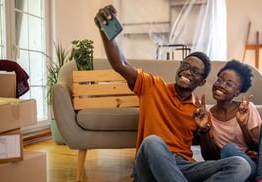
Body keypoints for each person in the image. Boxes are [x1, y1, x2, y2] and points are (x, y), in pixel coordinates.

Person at [95, 5, 251, 182]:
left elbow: (211, 156)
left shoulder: (199, 111)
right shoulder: (153, 86)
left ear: (201, 82)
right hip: (148, 165)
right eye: (184, 66)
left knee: (240, 165)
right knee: (153, 141)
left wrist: (204, 129)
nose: (187, 71)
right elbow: (120, 64)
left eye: (194, 70)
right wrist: (104, 30)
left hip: (182, 168)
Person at [193, 60, 262, 182]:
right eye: (219, 80)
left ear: (237, 92)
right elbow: (210, 157)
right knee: (229, 149)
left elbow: (257, 147)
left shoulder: (247, 109)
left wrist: (243, 125)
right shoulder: (207, 114)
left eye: (229, 84)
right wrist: (204, 129)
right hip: (239, 165)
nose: (221, 85)